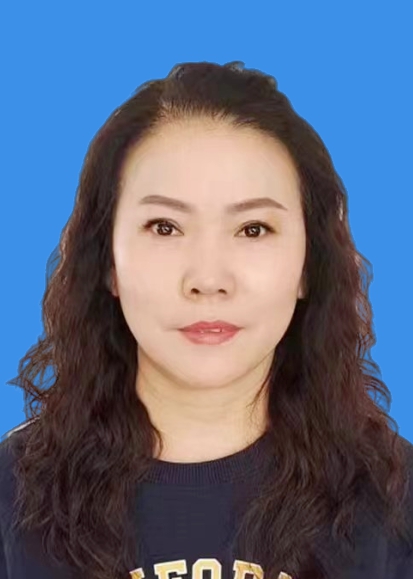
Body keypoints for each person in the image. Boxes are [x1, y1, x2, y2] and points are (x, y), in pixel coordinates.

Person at [0, 60, 412, 579]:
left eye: (254, 229)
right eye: (165, 227)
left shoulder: (394, 497)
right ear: (107, 262)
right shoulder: (14, 492)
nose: (208, 279)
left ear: (309, 265)